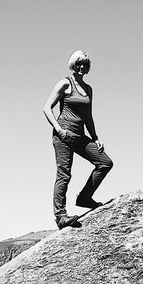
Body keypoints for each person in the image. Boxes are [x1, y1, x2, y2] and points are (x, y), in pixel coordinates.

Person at [42, 50, 113, 228]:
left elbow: (88, 116)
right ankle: (60, 216)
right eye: (79, 63)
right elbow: (46, 108)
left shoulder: (88, 89)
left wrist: (95, 137)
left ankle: (84, 198)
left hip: (80, 136)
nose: (82, 67)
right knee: (64, 175)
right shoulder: (65, 83)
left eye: (85, 65)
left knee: (105, 162)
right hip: (63, 136)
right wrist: (59, 130)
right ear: (73, 64)